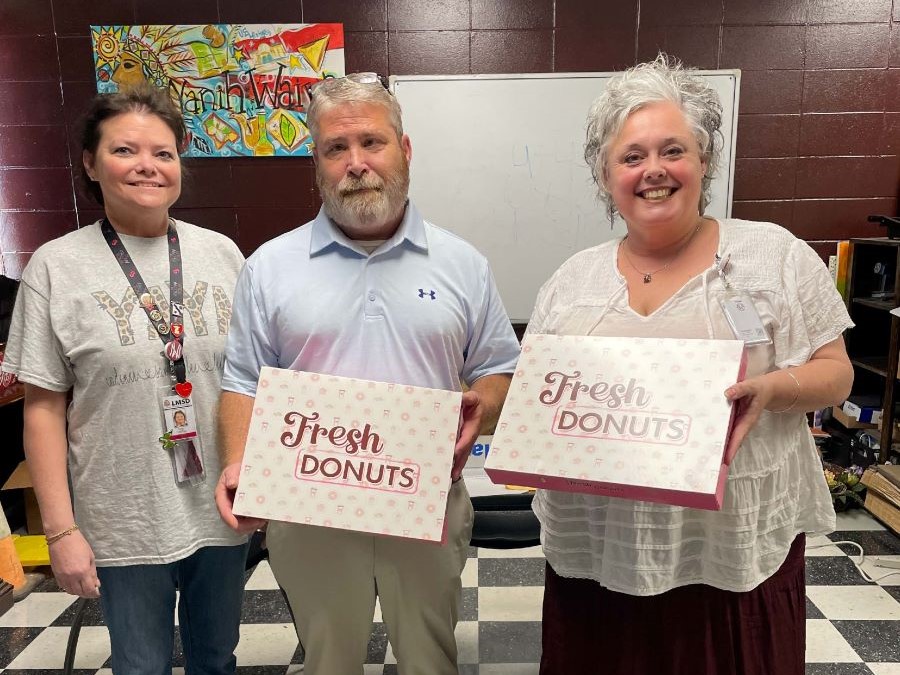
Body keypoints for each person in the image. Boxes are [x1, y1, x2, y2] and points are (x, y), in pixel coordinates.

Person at [528, 55, 854, 675]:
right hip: (603, 551)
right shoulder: (571, 282)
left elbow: (837, 374)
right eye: (631, 156)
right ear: (605, 173)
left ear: (704, 161)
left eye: (673, 150)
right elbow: (544, 399)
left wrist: (773, 389)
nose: (653, 170)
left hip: (729, 554)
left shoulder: (772, 255)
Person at [215, 73, 520, 675]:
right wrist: (238, 462)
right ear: (317, 163)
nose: (356, 163)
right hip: (310, 509)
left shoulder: (463, 263)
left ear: (404, 151)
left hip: (426, 502)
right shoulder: (269, 268)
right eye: (336, 148)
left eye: (372, 143)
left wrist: (479, 407)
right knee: (328, 660)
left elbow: (498, 369)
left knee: (430, 659)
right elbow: (245, 380)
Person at [2, 84, 248, 674]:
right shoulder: (55, 268)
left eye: (163, 153)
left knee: (217, 658)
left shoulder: (223, 254)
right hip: (121, 517)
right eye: (125, 151)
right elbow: (42, 409)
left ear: (181, 160)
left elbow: (252, 380)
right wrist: (60, 533)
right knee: (140, 664)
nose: (147, 167)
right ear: (90, 162)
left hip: (223, 509)